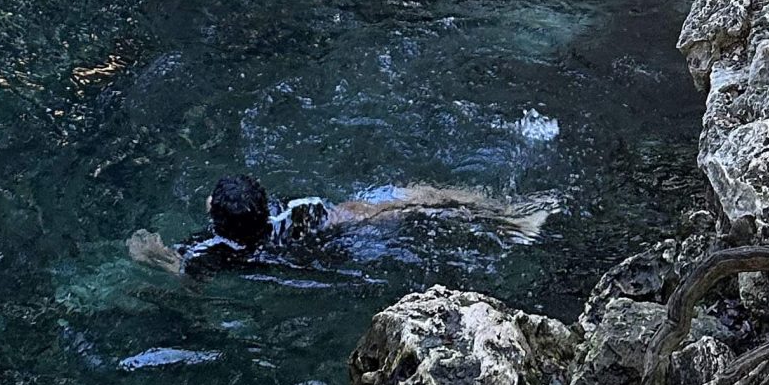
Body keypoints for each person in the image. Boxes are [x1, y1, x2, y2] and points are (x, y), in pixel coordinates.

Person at [127, 172, 552, 277]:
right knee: (416, 197)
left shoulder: (216, 252)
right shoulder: (296, 211)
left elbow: (185, 273)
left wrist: (149, 253)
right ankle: (507, 215)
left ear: (211, 213)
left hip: (318, 259)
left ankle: (507, 219)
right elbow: (339, 213)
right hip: (336, 231)